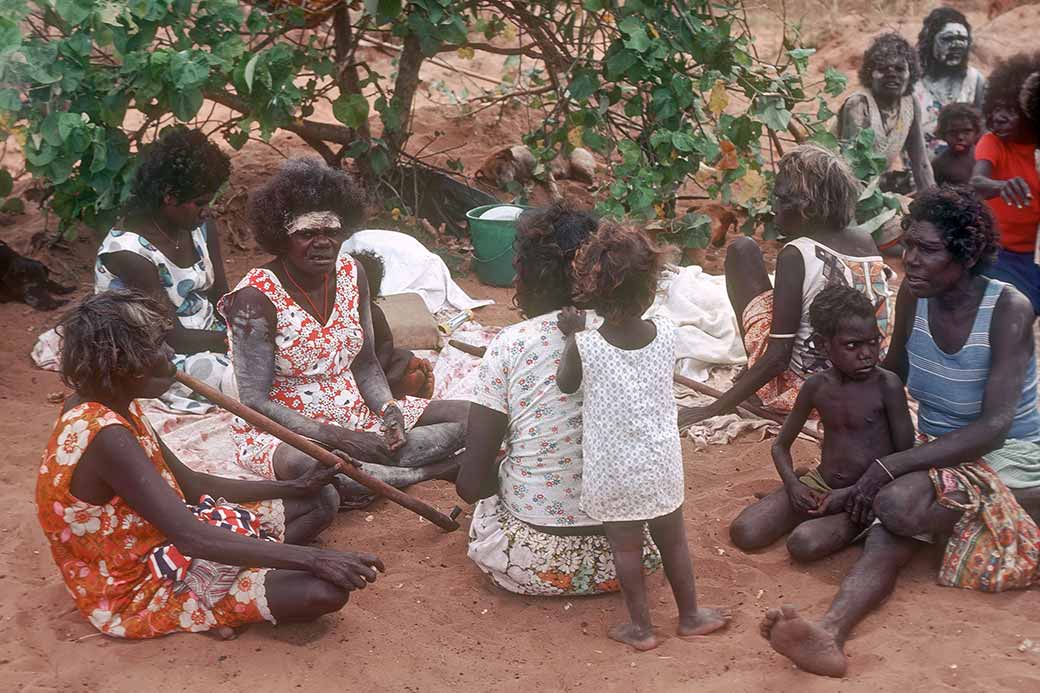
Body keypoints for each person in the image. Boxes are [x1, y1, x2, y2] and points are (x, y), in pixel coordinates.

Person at [759, 186, 1040, 678]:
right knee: (894, 518)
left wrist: (887, 467)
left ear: (965, 254)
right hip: (937, 451)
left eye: (927, 249)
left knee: (894, 504)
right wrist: (839, 409)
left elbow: (993, 428)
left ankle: (836, 621)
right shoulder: (914, 296)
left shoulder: (1007, 309)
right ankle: (829, 634)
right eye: (908, 244)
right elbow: (891, 375)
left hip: (1010, 452)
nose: (909, 259)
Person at [38, 291, 385, 639]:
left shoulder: (113, 403)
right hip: (137, 585)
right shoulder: (106, 434)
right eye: (156, 346)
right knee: (323, 592)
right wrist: (315, 559)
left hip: (166, 539)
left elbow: (191, 485)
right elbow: (191, 537)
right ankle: (209, 597)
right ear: (119, 361)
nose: (170, 354)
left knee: (318, 501)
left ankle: (229, 573)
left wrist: (295, 487)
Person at [218, 158, 467, 501]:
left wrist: (389, 411)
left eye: (331, 232)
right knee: (316, 467)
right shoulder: (255, 298)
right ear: (281, 237)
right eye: (307, 234)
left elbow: (365, 362)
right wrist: (338, 437)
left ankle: (377, 476)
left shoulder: (352, 273)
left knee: (475, 418)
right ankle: (430, 471)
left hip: (356, 412)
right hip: (289, 431)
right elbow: (254, 401)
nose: (322, 242)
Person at [455, 204, 663, 597]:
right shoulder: (635, 337)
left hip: (532, 564)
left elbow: (470, 485)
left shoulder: (510, 344)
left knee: (498, 474)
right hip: (634, 556)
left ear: (532, 272)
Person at [554, 224, 729, 652]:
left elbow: (566, 384)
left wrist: (572, 333)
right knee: (675, 541)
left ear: (592, 291)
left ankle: (642, 628)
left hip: (614, 471)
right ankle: (690, 616)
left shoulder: (586, 345)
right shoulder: (666, 333)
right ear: (651, 289)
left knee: (626, 549)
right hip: (661, 464)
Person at [679, 145, 892, 425]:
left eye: (780, 199)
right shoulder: (865, 240)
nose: (774, 207)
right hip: (864, 382)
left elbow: (779, 356)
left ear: (807, 208)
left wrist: (713, 409)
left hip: (809, 395)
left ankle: (758, 382)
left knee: (742, 251)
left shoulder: (797, 253)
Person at [728, 285, 914, 561]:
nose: (867, 353)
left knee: (803, 543)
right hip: (819, 484)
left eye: (873, 342)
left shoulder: (887, 385)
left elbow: (904, 458)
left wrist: (853, 493)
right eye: (852, 345)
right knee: (745, 532)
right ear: (821, 345)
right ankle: (801, 491)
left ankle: (860, 522)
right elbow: (780, 446)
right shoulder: (816, 387)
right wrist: (793, 485)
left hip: (864, 494)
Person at [95, 127, 232, 413]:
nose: (207, 210)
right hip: (156, 354)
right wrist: (235, 341)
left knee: (282, 360)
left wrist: (245, 328)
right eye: (200, 202)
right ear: (169, 196)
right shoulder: (129, 252)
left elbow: (221, 297)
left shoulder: (200, 228)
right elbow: (171, 336)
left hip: (208, 336)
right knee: (243, 382)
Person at [970, 52, 1040, 315]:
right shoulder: (993, 142)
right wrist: (1000, 186)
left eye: (1010, 110)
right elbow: (977, 183)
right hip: (999, 256)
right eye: (995, 109)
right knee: (1012, 314)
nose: (999, 117)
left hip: (1034, 257)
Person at [836, 33, 935, 194]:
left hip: (873, 188)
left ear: (911, 74)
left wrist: (934, 200)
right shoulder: (859, 104)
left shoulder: (910, 102)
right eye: (883, 69)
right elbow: (853, 168)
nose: (892, 74)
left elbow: (921, 162)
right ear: (870, 74)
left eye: (900, 69)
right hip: (840, 184)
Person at [351, 250, 435, 399]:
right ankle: (395, 392)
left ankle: (410, 387)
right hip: (346, 368)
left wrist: (378, 370)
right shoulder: (332, 311)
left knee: (404, 361)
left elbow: (386, 342)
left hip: (377, 364)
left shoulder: (373, 312)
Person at [913, 7, 988, 157]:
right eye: (947, 39)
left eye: (962, 39)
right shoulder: (912, 82)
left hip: (965, 168)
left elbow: (984, 133)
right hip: (918, 168)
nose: (956, 45)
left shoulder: (975, 80)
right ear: (929, 41)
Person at [931, 103, 983, 185]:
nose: (960, 137)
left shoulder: (986, 158)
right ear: (944, 134)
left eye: (966, 131)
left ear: (976, 132)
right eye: (953, 132)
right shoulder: (939, 164)